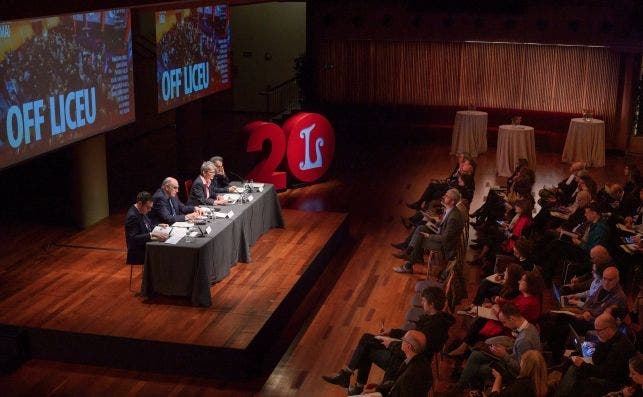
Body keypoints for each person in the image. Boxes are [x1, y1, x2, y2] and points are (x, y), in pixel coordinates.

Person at [322, 287, 454, 395]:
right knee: (367, 338)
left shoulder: (432, 327)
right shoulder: (435, 319)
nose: (422, 303)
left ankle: (353, 382)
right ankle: (350, 378)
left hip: (402, 360)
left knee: (367, 348)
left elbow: (412, 346)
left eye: (424, 301)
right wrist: (391, 332)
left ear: (431, 305)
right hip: (408, 355)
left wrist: (390, 343)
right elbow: (411, 337)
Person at [541, 266, 628, 363]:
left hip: (596, 325)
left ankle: (556, 354)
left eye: (610, 280)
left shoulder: (619, 298)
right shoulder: (601, 287)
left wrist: (588, 316)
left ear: (617, 279)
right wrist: (586, 311)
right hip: (586, 316)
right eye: (604, 279)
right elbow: (589, 302)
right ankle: (553, 348)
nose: (606, 282)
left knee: (564, 321)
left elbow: (609, 322)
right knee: (559, 317)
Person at [454, 303, 541, 391]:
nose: (504, 325)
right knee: (476, 354)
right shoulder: (529, 327)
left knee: (479, 369)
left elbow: (521, 369)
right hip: (510, 359)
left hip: (513, 373)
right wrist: (506, 350)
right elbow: (517, 351)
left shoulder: (524, 341)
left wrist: (504, 355)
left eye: (504, 322)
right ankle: (460, 386)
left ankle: (461, 387)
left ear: (511, 319)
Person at [555, 313, 637, 397]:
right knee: (572, 364)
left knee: (577, 373)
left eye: (598, 330)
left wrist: (583, 365)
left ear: (608, 329)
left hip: (616, 382)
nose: (597, 333)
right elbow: (596, 359)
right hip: (606, 373)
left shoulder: (620, 347)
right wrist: (601, 342)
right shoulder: (609, 338)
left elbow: (605, 373)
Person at [393, 189, 464, 274]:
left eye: (447, 196)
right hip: (441, 233)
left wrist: (428, 236)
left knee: (419, 239)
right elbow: (444, 225)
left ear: (452, 201)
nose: (444, 197)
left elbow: (445, 239)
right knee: (421, 228)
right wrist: (435, 222)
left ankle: (408, 263)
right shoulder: (450, 209)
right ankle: (410, 253)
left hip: (445, 245)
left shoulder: (453, 217)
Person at [356, 330, 431, 397]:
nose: (401, 341)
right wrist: (377, 390)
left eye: (403, 339)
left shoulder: (410, 376)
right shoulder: (421, 361)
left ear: (408, 346)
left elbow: (398, 389)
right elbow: (396, 384)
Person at [125, 191, 168, 265]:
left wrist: (158, 226)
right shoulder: (133, 216)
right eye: (148, 207)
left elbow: (148, 226)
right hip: (138, 251)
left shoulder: (141, 210)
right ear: (140, 203)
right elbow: (133, 238)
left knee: (167, 247)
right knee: (164, 252)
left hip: (146, 244)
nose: (150, 210)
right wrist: (152, 235)